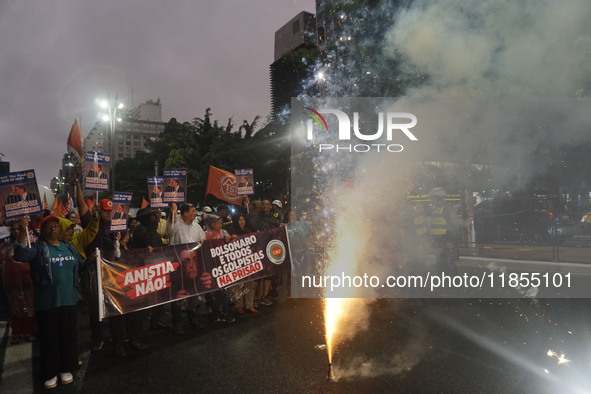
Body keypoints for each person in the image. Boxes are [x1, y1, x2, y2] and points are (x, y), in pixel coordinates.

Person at [13, 215, 84, 389]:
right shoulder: (38, 247)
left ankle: (66, 368)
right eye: (49, 227)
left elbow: (80, 265)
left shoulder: (68, 246)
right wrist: (23, 230)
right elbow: (20, 255)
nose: (53, 229)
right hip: (47, 303)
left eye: (56, 226)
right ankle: (50, 372)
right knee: (48, 339)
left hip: (68, 300)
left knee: (68, 337)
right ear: (42, 231)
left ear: (59, 229)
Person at [167, 202, 207, 334]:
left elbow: (203, 238)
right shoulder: (176, 224)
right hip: (178, 265)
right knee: (177, 295)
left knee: (193, 292)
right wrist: (173, 212)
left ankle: (193, 319)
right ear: (185, 213)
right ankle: (177, 323)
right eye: (193, 211)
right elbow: (170, 230)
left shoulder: (196, 225)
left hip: (193, 265)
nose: (196, 213)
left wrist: (202, 241)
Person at [0, 220, 36, 345]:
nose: (16, 232)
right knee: (15, 309)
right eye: (13, 229)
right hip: (11, 281)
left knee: (29, 308)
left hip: (27, 280)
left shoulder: (29, 243)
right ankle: (16, 332)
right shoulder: (5, 245)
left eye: (18, 229)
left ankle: (28, 331)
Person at [204, 215, 235, 323]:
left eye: (221, 223)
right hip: (211, 266)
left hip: (222, 265)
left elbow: (231, 241)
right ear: (212, 224)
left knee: (224, 291)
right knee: (213, 291)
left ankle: (225, 312)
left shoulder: (224, 232)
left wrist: (230, 238)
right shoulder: (205, 234)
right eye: (218, 223)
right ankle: (215, 313)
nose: (220, 225)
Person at [426, 187, 460, 274]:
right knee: (440, 263)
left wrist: (450, 241)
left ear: (438, 198)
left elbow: (453, 227)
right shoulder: (435, 209)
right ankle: (446, 282)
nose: (431, 200)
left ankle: (454, 283)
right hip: (439, 241)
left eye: (432, 198)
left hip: (446, 241)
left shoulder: (447, 209)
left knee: (448, 263)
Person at [229, 213, 257, 314]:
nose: (242, 222)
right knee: (238, 285)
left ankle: (250, 305)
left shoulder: (248, 231)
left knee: (250, 284)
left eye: (243, 220)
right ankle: (239, 305)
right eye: (239, 220)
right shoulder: (232, 231)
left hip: (248, 260)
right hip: (238, 262)